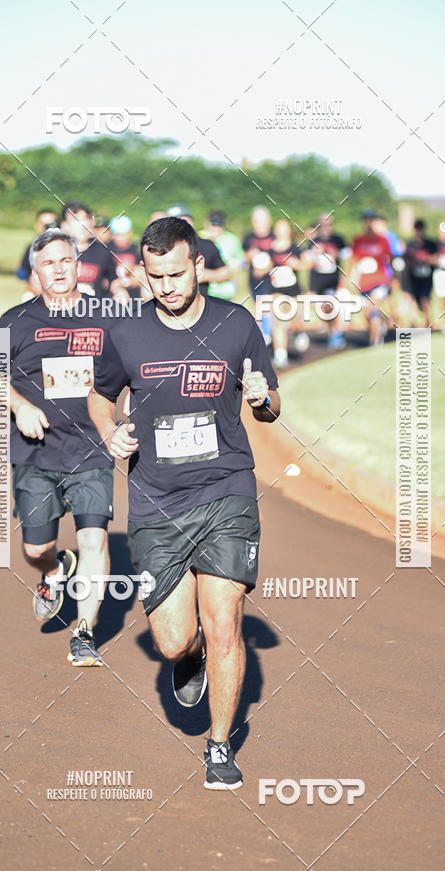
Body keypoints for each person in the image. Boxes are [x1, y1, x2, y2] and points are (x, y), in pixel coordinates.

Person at [88, 216, 280, 790]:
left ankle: (219, 746)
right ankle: (188, 657)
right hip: (155, 501)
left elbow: (270, 407)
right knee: (174, 639)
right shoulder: (128, 333)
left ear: (198, 264)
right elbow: (100, 395)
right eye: (155, 277)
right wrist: (110, 433)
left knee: (224, 622)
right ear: (142, 272)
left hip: (226, 490)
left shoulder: (235, 323)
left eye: (176, 273)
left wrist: (262, 397)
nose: (167, 286)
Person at [0, 228, 115, 666]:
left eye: (66, 260)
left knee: (93, 539)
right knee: (34, 549)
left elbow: (138, 366)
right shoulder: (15, 320)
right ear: (36, 271)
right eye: (49, 263)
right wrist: (20, 404)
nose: (59, 269)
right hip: (36, 451)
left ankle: (84, 632)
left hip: (90, 448)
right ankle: (52, 569)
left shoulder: (108, 317)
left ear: (78, 265)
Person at [347, 210, 393, 345]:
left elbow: (388, 259)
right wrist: (351, 278)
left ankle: (375, 342)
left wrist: (392, 279)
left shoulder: (382, 240)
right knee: (367, 313)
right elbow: (354, 261)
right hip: (364, 283)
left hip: (379, 280)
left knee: (373, 309)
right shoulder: (358, 240)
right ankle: (380, 326)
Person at [165, 204, 230, 298]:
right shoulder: (162, 247)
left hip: (202, 303)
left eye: (186, 221)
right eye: (176, 222)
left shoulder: (207, 245)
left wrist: (205, 275)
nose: (182, 225)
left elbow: (226, 273)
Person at [305, 213, 349, 349]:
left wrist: (345, 278)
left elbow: (348, 257)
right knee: (323, 310)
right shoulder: (313, 242)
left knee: (331, 306)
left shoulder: (338, 240)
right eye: (322, 224)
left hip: (333, 280)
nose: (325, 227)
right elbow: (308, 262)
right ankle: (332, 331)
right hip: (318, 280)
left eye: (328, 224)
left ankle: (335, 334)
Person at [60, 201, 116, 297]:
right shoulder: (56, 251)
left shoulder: (102, 251)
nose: (82, 225)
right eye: (76, 219)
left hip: (94, 307)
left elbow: (114, 280)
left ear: (91, 223)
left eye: (85, 219)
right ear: (64, 225)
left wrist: (119, 290)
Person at [268, 218, 303, 367]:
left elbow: (306, 264)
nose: (281, 231)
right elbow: (263, 266)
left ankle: (298, 332)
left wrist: (298, 264)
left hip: (293, 289)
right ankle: (280, 354)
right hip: (276, 289)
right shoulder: (270, 249)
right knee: (279, 320)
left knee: (295, 321)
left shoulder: (296, 248)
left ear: (289, 230)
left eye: (284, 228)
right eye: (279, 228)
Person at [242, 206, 276, 347]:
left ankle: (269, 336)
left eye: (263, 220)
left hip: (272, 279)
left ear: (269, 220)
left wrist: (268, 267)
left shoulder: (275, 236)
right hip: (255, 279)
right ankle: (265, 336)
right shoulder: (249, 237)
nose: (260, 223)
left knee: (269, 307)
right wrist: (248, 257)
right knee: (259, 307)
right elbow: (243, 257)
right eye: (257, 220)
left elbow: (281, 256)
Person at [204, 210, 246, 302]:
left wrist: (235, 266)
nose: (216, 228)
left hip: (226, 290)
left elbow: (242, 261)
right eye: (213, 225)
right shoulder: (202, 237)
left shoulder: (232, 239)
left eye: (218, 225)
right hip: (206, 290)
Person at [16, 209, 58, 298]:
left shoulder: (67, 247)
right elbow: (23, 272)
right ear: (37, 226)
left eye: (51, 224)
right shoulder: (32, 248)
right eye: (43, 224)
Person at [404, 219, 437, 328]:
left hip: (426, 277)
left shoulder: (430, 244)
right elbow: (406, 262)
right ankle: (416, 322)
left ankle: (428, 322)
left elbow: (436, 259)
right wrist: (415, 262)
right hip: (413, 278)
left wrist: (426, 259)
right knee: (415, 300)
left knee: (425, 299)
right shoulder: (409, 245)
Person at [108, 214, 143, 302]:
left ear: (130, 233)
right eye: (118, 235)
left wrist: (123, 283)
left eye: (124, 234)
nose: (121, 238)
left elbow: (141, 274)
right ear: (112, 234)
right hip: (110, 297)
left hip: (134, 297)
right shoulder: (106, 249)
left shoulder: (137, 250)